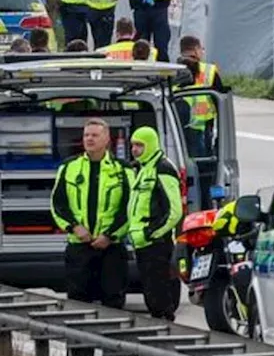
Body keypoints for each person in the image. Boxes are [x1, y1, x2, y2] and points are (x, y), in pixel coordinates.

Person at [49, 118, 132, 309]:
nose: (89, 139)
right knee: (77, 303)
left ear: (107, 139)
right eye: (86, 135)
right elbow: (57, 203)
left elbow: (129, 207)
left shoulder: (123, 169)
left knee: (113, 302)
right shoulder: (69, 167)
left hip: (111, 247)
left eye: (95, 135)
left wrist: (110, 235)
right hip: (79, 246)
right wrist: (74, 227)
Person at [125, 126, 183, 320]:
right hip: (142, 243)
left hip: (156, 243)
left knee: (161, 297)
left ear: (150, 145)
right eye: (133, 145)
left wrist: (152, 233)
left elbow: (174, 211)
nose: (135, 149)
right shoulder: (142, 168)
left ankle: (167, 336)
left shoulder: (162, 168)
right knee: (152, 296)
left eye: (139, 145)